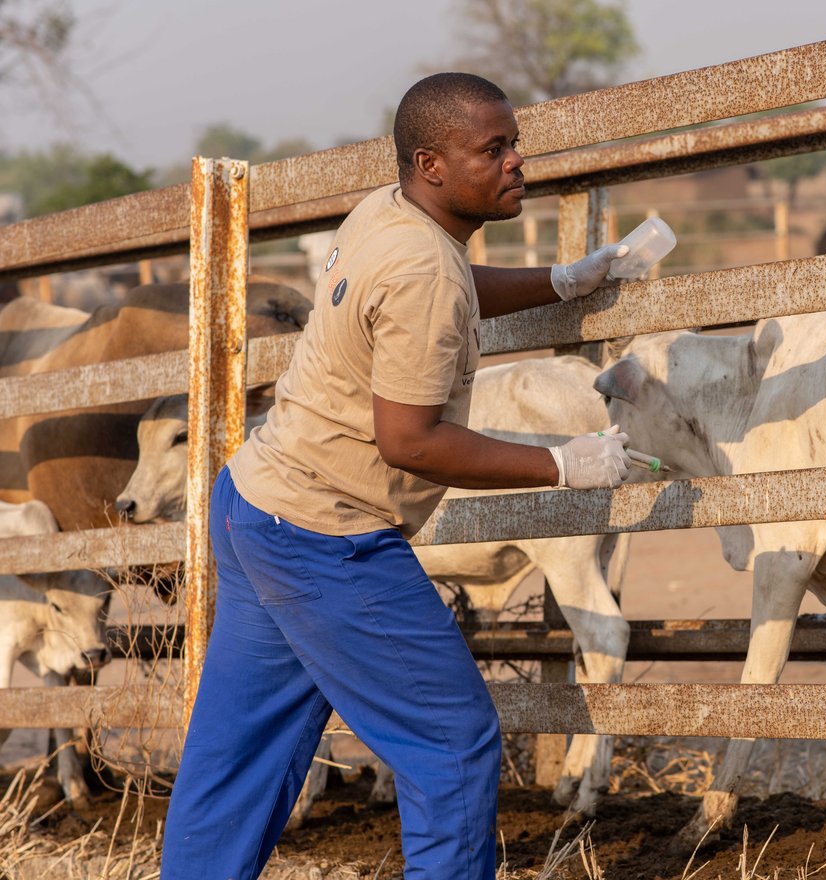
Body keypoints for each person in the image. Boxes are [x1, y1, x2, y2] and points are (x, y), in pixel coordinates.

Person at [160, 72, 633, 880]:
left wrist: (556, 283)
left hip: (255, 504)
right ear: (433, 164)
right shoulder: (426, 273)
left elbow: (445, 282)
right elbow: (411, 442)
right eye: (495, 149)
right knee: (452, 740)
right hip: (327, 537)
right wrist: (559, 463)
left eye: (514, 143)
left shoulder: (388, 213)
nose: (519, 161)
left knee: (237, 761)